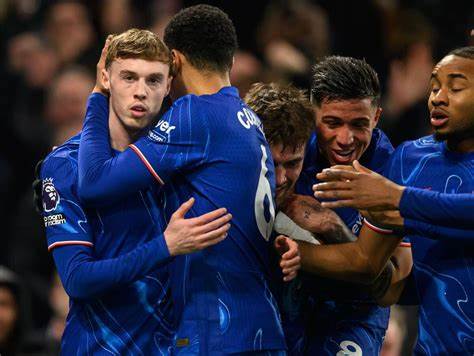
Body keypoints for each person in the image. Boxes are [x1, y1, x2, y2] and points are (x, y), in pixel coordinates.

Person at [77, 5, 297, 355]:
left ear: (174, 62)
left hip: (217, 334)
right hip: (259, 328)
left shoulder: (195, 113)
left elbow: (92, 181)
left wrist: (98, 94)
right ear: (231, 59)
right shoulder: (248, 120)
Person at [39, 29, 232, 354]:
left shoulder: (178, 157)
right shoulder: (64, 165)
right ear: (106, 79)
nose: (140, 92)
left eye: (153, 80)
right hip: (98, 348)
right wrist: (165, 246)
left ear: (169, 85)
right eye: (128, 77)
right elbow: (77, 279)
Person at [294, 46, 474, 354]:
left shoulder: (388, 174)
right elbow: (376, 269)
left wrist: (397, 198)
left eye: (455, 88)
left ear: (376, 118)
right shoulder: (410, 160)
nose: (438, 97)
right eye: (434, 87)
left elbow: (380, 271)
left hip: (354, 319)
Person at [280, 56, 412, 355]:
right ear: (313, 113)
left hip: (355, 312)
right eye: (333, 123)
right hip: (287, 298)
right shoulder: (289, 151)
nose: (345, 138)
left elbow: (390, 289)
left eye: (358, 124)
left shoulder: (394, 172)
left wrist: (330, 226)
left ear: (376, 117)